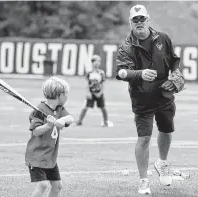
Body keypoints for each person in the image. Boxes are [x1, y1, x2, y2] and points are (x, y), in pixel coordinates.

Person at [116, 4, 185, 195]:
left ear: (148, 20)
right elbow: (122, 71)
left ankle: (162, 162)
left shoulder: (163, 38)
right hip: (142, 98)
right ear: (130, 23)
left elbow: (174, 60)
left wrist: (175, 74)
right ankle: (143, 181)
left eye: (142, 19)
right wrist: (140, 73)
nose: (139, 23)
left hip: (165, 94)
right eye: (135, 20)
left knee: (166, 131)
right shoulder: (127, 47)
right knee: (144, 139)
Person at [25, 76, 74, 197]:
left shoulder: (59, 109)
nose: (67, 96)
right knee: (42, 185)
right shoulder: (39, 110)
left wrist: (62, 120)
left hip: (50, 156)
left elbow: (70, 118)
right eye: (66, 93)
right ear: (59, 95)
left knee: (57, 186)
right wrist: (48, 125)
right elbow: (35, 131)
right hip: (37, 155)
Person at [76, 54, 113, 127]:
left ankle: (105, 122)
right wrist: (88, 93)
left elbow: (102, 84)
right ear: (92, 62)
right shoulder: (89, 73)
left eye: (99, 61)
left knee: (103, 108)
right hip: (91, 93)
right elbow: (87, 84)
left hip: (99, 93)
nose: (97, 63)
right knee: (85, 107)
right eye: (95, 61)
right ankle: (79, 121)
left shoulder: (101, 73)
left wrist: (100, 93)